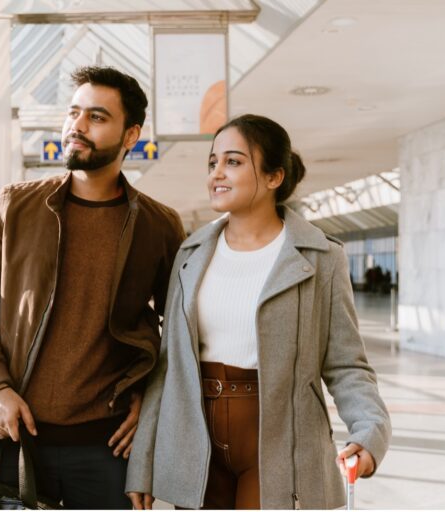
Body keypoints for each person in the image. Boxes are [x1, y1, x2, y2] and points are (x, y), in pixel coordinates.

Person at [125, 114, 391, 510]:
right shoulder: (190, 254)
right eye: (213, 162)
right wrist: (143, 463)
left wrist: (368, 432)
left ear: (274, 177)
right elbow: (169, 366)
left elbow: (346, 364)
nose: (217, 173)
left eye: (233, 161)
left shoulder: (320, 257)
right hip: (197, 442)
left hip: (280, 441)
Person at [0, 65, 184, 509]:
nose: (77, 125)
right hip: (17, 439)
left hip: (109, 447)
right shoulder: (15, 207)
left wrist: (151, 401)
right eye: (73, 113)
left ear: (131, 135)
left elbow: (179, 325)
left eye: (96, 117)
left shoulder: (158, 225)